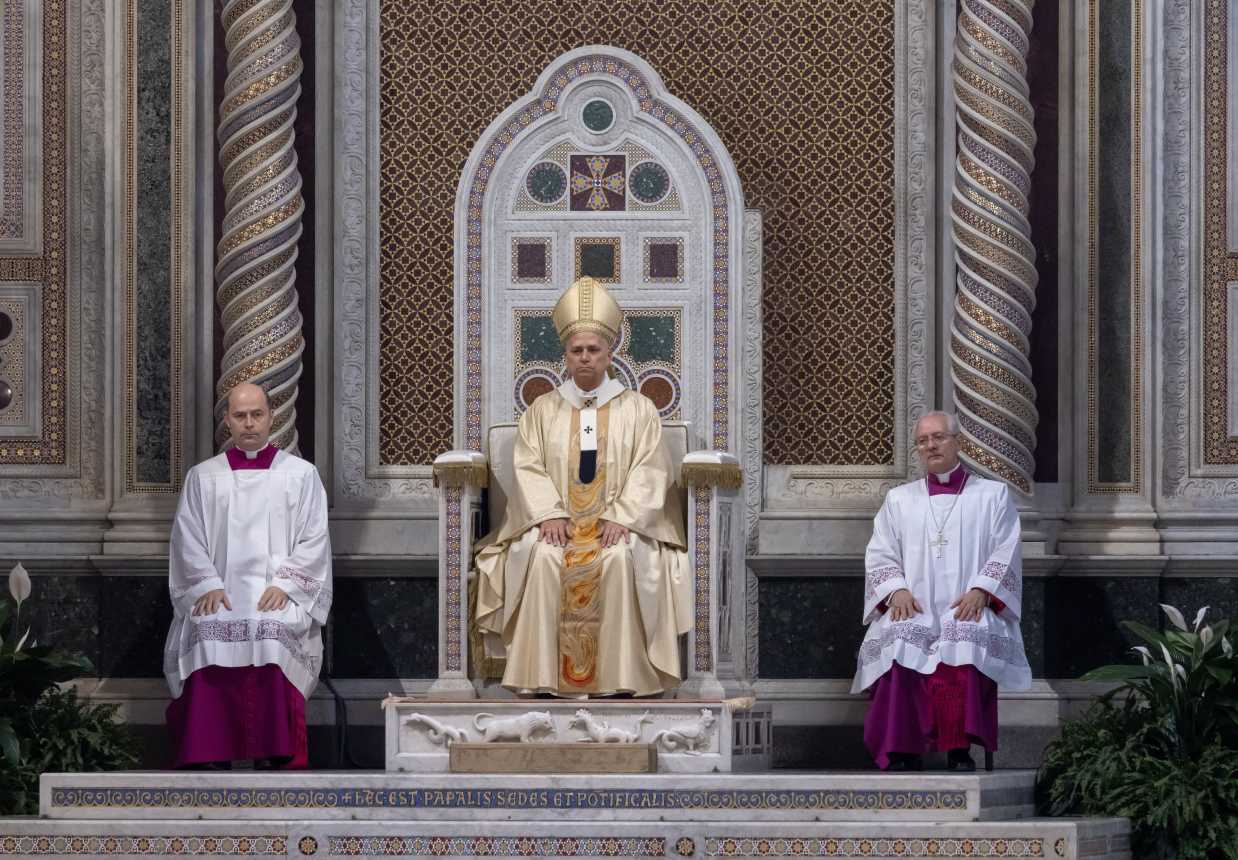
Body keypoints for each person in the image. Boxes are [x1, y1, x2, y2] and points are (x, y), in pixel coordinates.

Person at [474, 276, 691, 697]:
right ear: (565, 357)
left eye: (594, 350)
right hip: (557, 523)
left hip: (619, 525)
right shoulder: (542, 410)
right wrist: (550, 512)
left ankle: (623, 678)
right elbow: (528, 466)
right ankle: (540, 679)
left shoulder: (638, 409)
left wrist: (623, 517)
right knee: (541, 558)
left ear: (610, 354)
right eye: (577, 351)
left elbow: (651, 468)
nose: (586, 358)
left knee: (618, 560)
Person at [162, 382, 331, 769]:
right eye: (240, 415)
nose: (250, 424)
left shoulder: (301, 475)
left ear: (273, 417)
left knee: (272, 632)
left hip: (275, 592)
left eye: (257, 414)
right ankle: (209, 753)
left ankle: (276, 752)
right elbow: (187, 537)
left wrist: (287, 584)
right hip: (220, 591)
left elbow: (314, 537)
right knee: (208, 630)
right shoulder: (203, 477)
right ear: (227, 420)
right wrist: (206, 584)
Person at [851, 411, 1031, 770]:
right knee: (899, 639)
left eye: (938, 437)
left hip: (966, 604)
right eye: (922, 441)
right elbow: (880, 551)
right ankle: (902, 749)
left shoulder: (992, 495)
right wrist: (895, 590)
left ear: (957, 442)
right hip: (914, 606)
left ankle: (958, 749)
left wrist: (983, 590)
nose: (930, 446)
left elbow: (1006, 548)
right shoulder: (899, 499)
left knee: (964, 637)